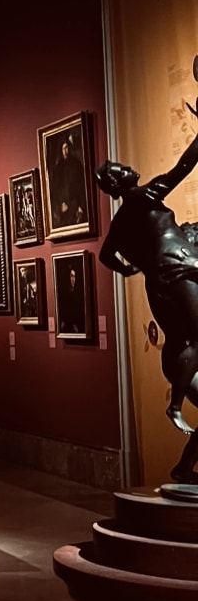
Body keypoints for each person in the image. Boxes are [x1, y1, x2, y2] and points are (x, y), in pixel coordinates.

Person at [97, 109, 198, 440]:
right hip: (178, 264)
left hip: (160, 278)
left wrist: (132, 269)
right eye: (120, 170)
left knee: (184, 337)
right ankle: (176, 405)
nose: (128, 168)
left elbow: (106, 255)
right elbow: (182, 168)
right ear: (115, 184)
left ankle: (178, 404)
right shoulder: (143, 197)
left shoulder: (121, 221)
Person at [51, 134, 87, 229]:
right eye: (63, 149)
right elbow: (55, 190)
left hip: (75, 205)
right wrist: (60, 205)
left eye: (67, 148)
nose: (65, 151)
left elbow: (83, 187)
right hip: (64, 208)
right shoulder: (58, 169)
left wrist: (81, 206)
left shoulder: (77, 165)